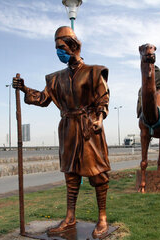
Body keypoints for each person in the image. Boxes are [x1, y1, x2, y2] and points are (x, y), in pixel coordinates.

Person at [12, 26, 110, 238]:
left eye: (61, 47)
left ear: (73, 47)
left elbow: (103, 98)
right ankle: (70, 217)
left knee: (97, 174)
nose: (58, 52)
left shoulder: (94, 72)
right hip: (67, 128)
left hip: (88, 127)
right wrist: (24, 88)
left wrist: (100, 119)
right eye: (57, 48)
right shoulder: (55, 79)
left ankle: (102, 218)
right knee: (71, 175)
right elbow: (42, 99)